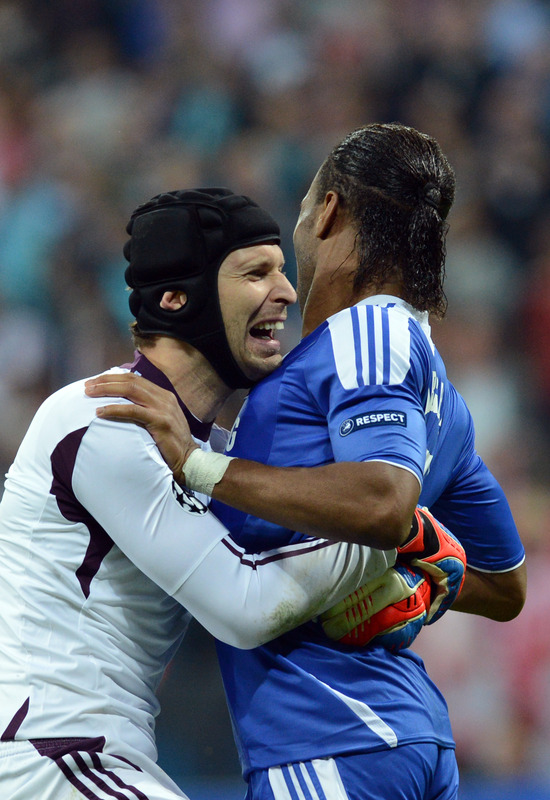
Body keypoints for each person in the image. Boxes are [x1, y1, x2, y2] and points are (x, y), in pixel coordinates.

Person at [87, 124, 526, 800]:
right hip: (395, 734)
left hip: (330, 736)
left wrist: (199, 465)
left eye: (298, 211)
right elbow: (502, 585)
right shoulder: (440, 398)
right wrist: (425, 566)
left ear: (328, 212)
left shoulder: (369, 332)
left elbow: (383, 500)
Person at [0, 187, 434, 800]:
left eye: (283, 269)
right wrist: (387, 538)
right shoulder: (103, 416)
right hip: (46, 755)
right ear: (178, 300)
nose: (286, 292)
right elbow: (249, 604)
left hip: (104, 755)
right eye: (256, 272)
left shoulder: (216, 453)